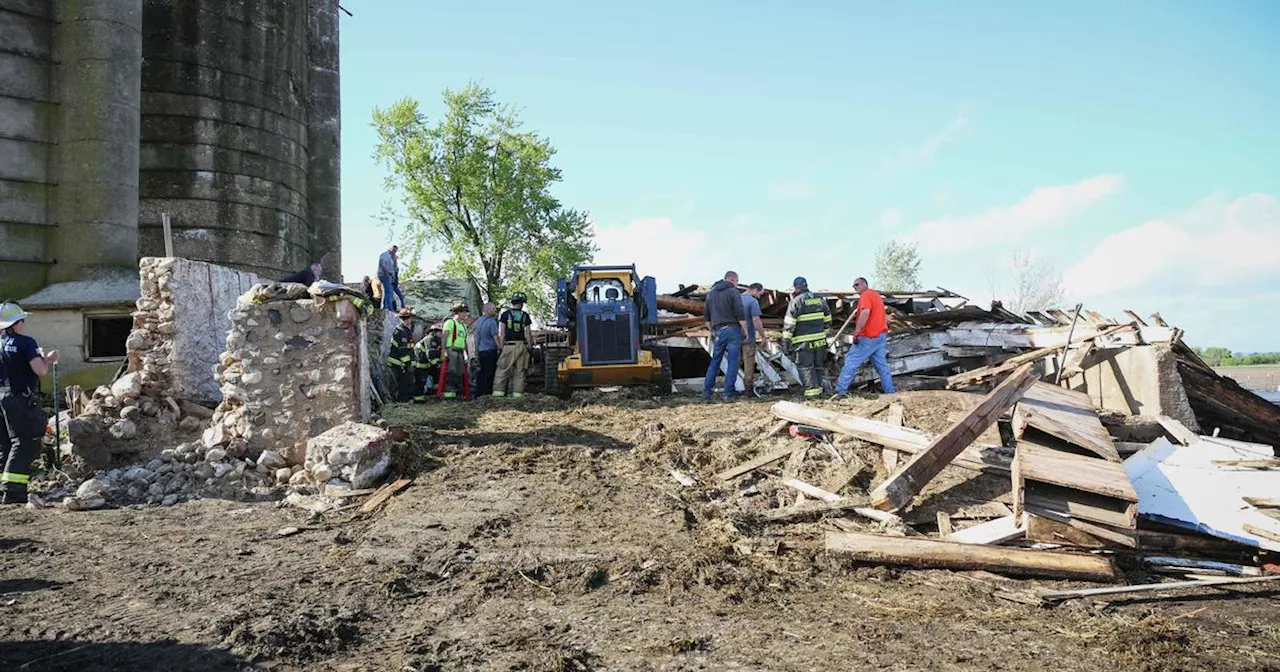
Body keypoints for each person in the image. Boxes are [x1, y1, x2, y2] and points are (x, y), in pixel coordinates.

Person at [1, 302, 59, 505]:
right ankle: (13, 490)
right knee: (26, 442)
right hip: (20, 399)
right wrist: (47, 359)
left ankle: (3, 489)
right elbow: (40, 370)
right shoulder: (26, 343)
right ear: (17, 322)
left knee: (6, 444)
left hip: (2, 399)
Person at [833, 276, 896, 396]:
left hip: (868, 336)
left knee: (851, 361)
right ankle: (890, 390)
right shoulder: (876, 295)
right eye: (853, 286)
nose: (855, 288)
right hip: (880, 336)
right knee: (881, 365)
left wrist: (857, 332)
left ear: (864, 284)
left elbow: (865, 312)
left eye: (857, 285)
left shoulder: (866, 295)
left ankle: (840, 391)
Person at [781, 276, 832, 399]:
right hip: (820, 342)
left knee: (806, 368)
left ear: (796, 287)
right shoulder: (820, 300)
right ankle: (819, 391)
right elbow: (828, 320)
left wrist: (786, 342)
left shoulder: (796, 302)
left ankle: (812, 395)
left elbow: (789, 324)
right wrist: (823, 335)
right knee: (818, 367)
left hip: (803, 343)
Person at [702, 271, 748, 401]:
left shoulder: (710, 294)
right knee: (733, 362)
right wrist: (745, 330)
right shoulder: (733, 292)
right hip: (733, 330)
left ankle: (706, 393)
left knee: (715, 361)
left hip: (718, 331)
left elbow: (706, 315)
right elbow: (740, 312)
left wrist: (711, 330)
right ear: (733, 279)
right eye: (737, 281)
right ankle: (728, 394)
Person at [494, 293, 534, 398]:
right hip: (521, 346)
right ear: (521, 304)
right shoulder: (525, 316)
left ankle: (498, 395)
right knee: (520, 372)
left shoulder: (505, 315)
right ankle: (517, 396)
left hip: (508, 345)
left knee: (502, 370)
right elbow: (527, 333)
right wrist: (530, 347)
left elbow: (501, 333)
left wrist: (501, 347)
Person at [441, 303, 470, 399]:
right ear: (458, 312)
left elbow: (464, 341)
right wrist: (444, 351)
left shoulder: (464, 326)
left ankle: (459, 394)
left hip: (460, 352)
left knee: (460, 373)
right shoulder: (450, 323)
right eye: (464, 312)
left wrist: (466, 354)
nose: (466, 314)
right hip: (451, 350)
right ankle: (449, 393)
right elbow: (444, 337)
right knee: (451, 372)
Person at [741, 282, 765, 393]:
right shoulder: (752, 301)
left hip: (734, 336)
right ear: (755, 290)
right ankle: (748, 389)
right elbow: (756, 320)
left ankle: (731, 388)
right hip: (748, 337)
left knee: (733, 361)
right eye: (760, 294)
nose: (759, 297)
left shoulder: (736, 299)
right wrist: (763, 336)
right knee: (749, 362)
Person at [471, 303, 500, 396]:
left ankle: (479, 393)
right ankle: (487, 393)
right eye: (493, 309)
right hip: (490, 351)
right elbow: (495, 337)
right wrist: (500, 348)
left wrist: (476, 350)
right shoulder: (492, 322)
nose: (495, 311)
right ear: (488, 310)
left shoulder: (478, 321)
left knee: (481, 372)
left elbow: (476, 337)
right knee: (490, 372)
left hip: (481, 350)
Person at [387, 308, 415, 402]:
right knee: (402, 382)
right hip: (399, 362)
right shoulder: (401, 331)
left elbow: (409, 348)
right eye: (410, 318)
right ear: (407, 319)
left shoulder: (405, 330)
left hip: (401, 361)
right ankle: (402, 401)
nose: (411, 320)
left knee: (404, 381)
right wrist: (407, 364)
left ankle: (404, 399)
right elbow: (403, 350)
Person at [411, 324, 443, 403]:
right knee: (421, 382)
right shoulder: (430, 339)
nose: (441, 334)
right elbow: (431, 354)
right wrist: (437, 364)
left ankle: (435, 395)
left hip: (428, 364)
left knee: (436, 376)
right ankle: (418, 399)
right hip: (420, 364)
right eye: (440, 332)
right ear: (435, 332)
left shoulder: (437, 340)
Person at [377, 245, 401, 311]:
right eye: (394, 250)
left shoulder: (392, 257)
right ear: (390, 249)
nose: (394, 252)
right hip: (384, 275)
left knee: (388, 292)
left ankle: (385, 307)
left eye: (395, 251)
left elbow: (395, 268)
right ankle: (389, 309)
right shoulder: (384, 255)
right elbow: (382, 264)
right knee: (389, 292)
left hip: (390, 276)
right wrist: (387, 273)